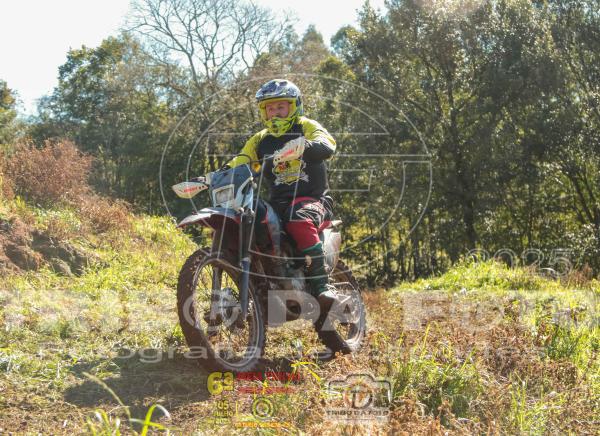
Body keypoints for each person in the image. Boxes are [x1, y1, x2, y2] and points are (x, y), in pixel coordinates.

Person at [225, 79, 341, 310]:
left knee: (297, 218)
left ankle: (322, 285)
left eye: (281, 106)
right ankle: (260, 283)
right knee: (250, 218)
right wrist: (213, 177)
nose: (275, 112)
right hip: (278, 203)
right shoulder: (260, 139)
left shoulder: (305, 126)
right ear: (263, 112)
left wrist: (304, 146)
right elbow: (241, 162)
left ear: (294, 106)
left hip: (313, 200)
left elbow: (327, 143)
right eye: (270, 108)